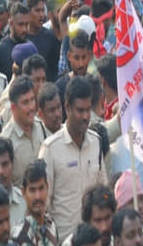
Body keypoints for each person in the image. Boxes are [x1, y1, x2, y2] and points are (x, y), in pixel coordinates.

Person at [37, 77, 105, 242]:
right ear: (67, 108)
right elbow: (41, 207)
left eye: (88, 110)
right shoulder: (50, 149)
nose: (85, 116)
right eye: (80, 110)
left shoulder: (96, 143)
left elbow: (103, 192)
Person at [10, 160, 56, 246]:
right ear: (23, 192)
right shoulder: (19, 234)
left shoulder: (51, 223)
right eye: (32, 190)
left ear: (47, 188)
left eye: (41, 188)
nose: (37, 196)